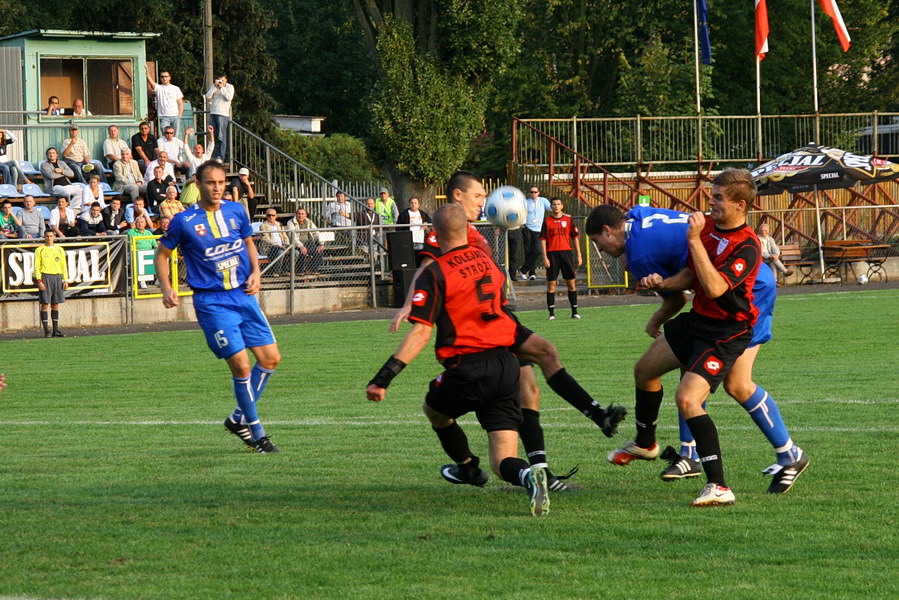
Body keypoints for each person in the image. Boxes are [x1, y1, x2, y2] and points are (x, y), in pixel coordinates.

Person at [392, 171, 627, 491]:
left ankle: (583, 429)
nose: (483, 202)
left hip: (498, 318)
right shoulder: (444, 231)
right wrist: (409, 303)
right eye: (478, 196)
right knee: (530, 380)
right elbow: (426, 267)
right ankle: (548, 463)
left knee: (537, 371)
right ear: (457, 196)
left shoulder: (469, 230)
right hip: (484, 328)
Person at [586, 201, 809, 494]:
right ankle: (686, 454)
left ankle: (789, 455)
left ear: (607, 230)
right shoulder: (638, 217)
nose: (599, 250)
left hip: (747, 292)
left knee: (738, 384)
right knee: (677, 369)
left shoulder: (641, 253)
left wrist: (654, 318)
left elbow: (676, 299)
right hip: (721, 297)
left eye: (597, 242)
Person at [366, 203, 551, 516]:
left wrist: (383, 378)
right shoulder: (487, 261)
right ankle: (527, 475)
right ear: (468, 230)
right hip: (507, 365)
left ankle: (466, 467)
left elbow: (420, 335)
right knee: (502, 459)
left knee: (434, 409)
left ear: (434, 234)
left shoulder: (436, 272)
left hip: (468, 367)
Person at [155, 160, 281, 453]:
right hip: (212, 302)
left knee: (271, 359)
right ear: (197, 184)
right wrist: (166, 288)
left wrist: (256, 273)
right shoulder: (184, 221)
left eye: (221, 182)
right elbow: (161, 255)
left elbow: (248, 242)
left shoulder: (236, 210)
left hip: (243, 296)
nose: (216, 188)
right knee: (242, 365)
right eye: (210, 182)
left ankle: (238, 418)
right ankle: (258, 434)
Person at [541, 197, 582, 320]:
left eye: (558, 204)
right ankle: (551, 313)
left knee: (571, 282)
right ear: (551, 207)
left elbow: (575, 237)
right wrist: (544, 257)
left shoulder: (568, 220)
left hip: (566, 254)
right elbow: (542, 240)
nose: (556, 206)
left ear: (562, 206)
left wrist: (579, 255)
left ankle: (574, 311)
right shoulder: (547, 221)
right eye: (554, 204)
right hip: (552, 254)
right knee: (551, 283)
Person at [34, 230, 68, 337]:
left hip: (57, 277)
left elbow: (63, 265)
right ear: (44, 237)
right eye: (47, 236)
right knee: (45, 304)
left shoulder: (59, 249)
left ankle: (56, 330)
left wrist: (65, 280)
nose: (49, 238)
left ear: (54, 237)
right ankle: (46, 331)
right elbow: (36, 266)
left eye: (51, 236)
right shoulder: (40, 250)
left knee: (55, 304)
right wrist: (39, 280)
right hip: (45, 277)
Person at [519, 186, 552, 280]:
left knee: (537, 250)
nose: (533, 194)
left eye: (535, 192)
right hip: (527, 228)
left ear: (538, 193)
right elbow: (521, 213)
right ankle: (532, 273)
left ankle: (523, 270)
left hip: (538, 229)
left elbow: (551, 209)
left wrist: (563, 214)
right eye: (531, 192)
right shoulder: (526, 202)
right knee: (528, 251)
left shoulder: (543, 201)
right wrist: (522, 222)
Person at [205, 74, 235, 160]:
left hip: (223, 114)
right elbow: (208, 96)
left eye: (222, 80)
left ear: (226, 80)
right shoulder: (214, 86)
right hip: (213, 113)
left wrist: (222, 88)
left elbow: (229, 97)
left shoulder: (230, 87)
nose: (220, 82)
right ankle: (213, 155)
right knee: (212, 135)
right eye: (219, 80)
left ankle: (220, 156)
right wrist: (214, 87)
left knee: (220, 136)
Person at [287, 207, 324, 274]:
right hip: (296, 244)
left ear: (305, 215)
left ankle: (311, 270)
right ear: (296, 214)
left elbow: (316, 232)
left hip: (308, 242)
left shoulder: (309, 221)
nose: (300, 216)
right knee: (302, 252)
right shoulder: (291, 222)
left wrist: (321, 244)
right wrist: (301, 246)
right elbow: (292, 237)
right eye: (299, 214)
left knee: (319, 251)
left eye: (302, 214)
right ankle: (300, 272)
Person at [148, 70, 184, 136]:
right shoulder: (158, 88)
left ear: (169, 77)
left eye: (166, 76)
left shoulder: (176, 88)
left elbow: (180, 103)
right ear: (160, 78)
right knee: (166, 136)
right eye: (162, 77)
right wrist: (147, 72)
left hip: (175, 116)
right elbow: (151, 82)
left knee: (175, 137)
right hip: (163, 116)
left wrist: (179, 115)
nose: (164, 78)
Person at [396, 196, 430, 261]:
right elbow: (398, 227)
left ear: (418, 204)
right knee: (410, 259)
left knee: (419, 258)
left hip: (420, 240)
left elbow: (430, 221)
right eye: (412, 203)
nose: (413, 205)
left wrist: (426, 223)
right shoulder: (404, 214)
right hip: (409, 241)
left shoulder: (422, 213)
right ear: (409, 204)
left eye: (415, 203)